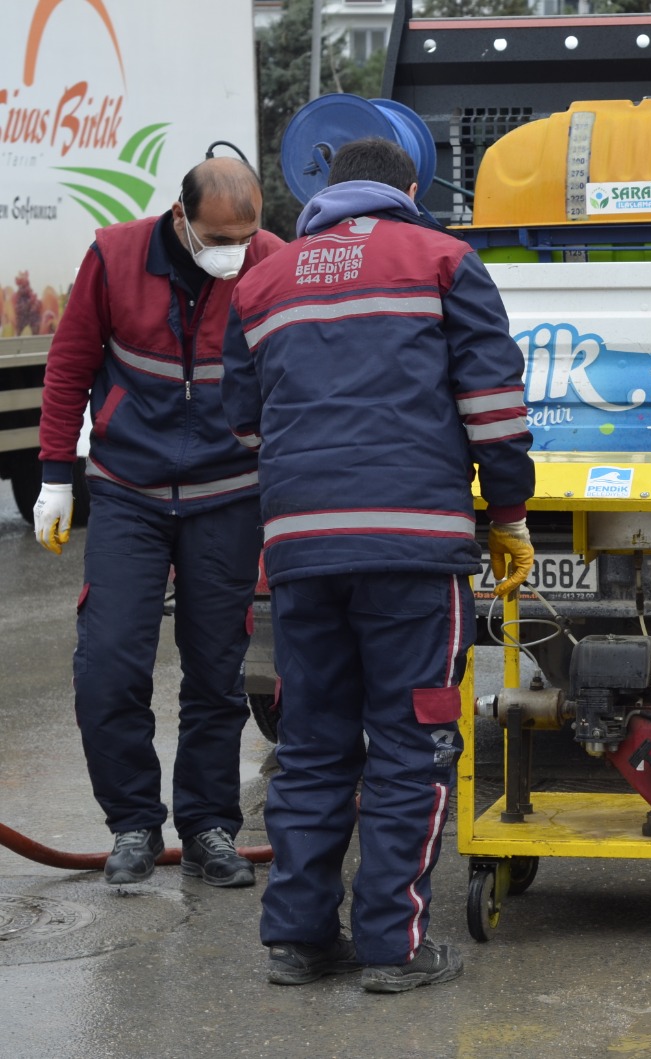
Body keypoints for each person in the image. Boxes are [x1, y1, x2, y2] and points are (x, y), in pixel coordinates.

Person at [222, 137, 535, 993]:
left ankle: (298, 940)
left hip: (300, 548)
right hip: (413, 547)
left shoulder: (262, 282)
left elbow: (242, 422)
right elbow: (494, 409)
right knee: (411, 741)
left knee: (313, 741)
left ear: (323, 192)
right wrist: (508, 514)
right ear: (411, 187)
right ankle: (394, 946)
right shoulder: (443, 260)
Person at [33, 157, 285, 888]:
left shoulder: (270, 260)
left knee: (216, 673)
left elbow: (296, 371)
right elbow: (69, 364)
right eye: (220, 238)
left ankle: (208, 827)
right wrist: (55, 475)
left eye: (245, 236)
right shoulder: (114, 257)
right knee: (108, 666)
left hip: (229, 494)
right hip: (128, 492)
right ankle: (133, 824)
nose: (234, 252)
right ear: (181, 218)